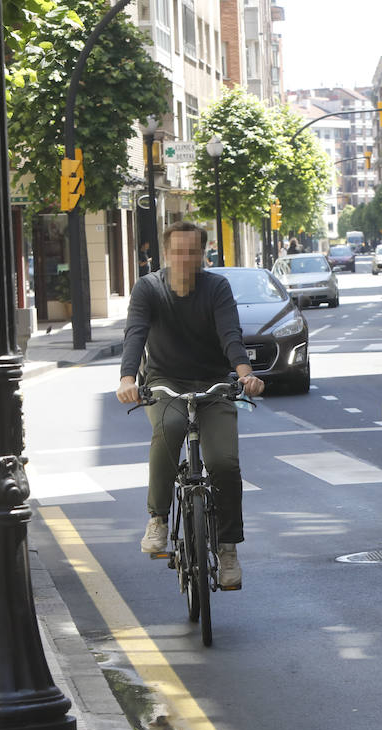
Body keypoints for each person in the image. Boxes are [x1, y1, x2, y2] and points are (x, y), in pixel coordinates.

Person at [116, 220, 266, 589]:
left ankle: (228, 548)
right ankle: (158, 519)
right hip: (165, 381)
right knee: (167, 430)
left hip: (213, 383)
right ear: (165, 254)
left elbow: (231, 334)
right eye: (178, 252)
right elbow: (135, 334)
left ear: (203, 254)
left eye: (193, 252)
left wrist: (245, 374)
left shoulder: (216, 288)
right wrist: (127, 378)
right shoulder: (148, 288)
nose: (185, 259)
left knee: (223, 463)